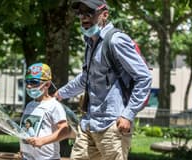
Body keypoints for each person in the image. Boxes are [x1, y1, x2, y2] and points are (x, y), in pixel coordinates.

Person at [54, 0, 152, 160]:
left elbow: (144, 77)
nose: (84, 17)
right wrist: (60, 94)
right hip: (89, 123)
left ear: (104, 14)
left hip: (112, 125)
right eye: (80, 13)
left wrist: (128, 114)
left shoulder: (115, 40)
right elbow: (86, 78)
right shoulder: (90, 43)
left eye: (89, 13)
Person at [19, 63, 71, 160]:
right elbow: (25, 130)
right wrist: (22, 149)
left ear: (47, 84)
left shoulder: (54, 105)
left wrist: (42, 141)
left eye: (34, 82)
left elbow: (64, 130)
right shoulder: (29, 105)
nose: (29, 86)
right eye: (27, 82)